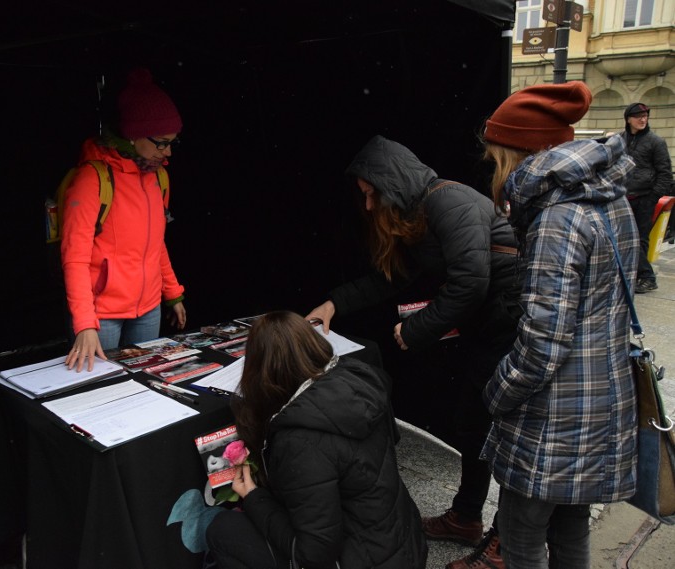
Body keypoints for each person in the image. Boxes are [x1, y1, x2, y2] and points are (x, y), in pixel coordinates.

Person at [305, 136, 521, 568]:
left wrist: (416, 329)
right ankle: (465, 518)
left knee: (506, 434)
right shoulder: (419, 214)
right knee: (470, 425)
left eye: (371, 194)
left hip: (509, 326)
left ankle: (508, 543)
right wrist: (332, 304)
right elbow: (390, 279)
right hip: (489, 325)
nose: (367, 206)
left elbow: (471, 282)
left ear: (392, 183)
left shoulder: (449, 201)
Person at [480, 81, 639, 568]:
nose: (491, 167)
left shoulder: (558, 219)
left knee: (522, 533)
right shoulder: (609, 200)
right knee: (569, 525)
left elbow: (542, 346)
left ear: (520, 151)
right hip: (601, 398)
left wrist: (496, 393)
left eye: (494, 155)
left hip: (557, 413)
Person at [205, 311, 427, 569]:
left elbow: (312, 554)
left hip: (362, 559)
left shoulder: (300, 440)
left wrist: (254, 497)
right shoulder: (354, 382)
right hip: (401, 548)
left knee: (224, 530)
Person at [62, 68, 187, 372]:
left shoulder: (159, 177)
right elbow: (74, 258)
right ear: (132, 134)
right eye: (161, 142)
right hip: (101, 316)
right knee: (101, 394)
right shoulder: (92, 179)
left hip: (148, 310)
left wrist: (172, 293)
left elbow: (157, 244)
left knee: (145, 385)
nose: (167, 151)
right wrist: (84, 324)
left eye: (173, 142)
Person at [620, 102, 674, 293]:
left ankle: (647, 277)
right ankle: (632, 275)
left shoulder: (655, 142)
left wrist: (653, 197)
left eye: (645, 116)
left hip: (644, 197)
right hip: (623, 196)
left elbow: (665, 173)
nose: (643, 119)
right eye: (638, 116)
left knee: (639, 239)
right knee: (623, 238)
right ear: (628, 119)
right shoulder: (620, 139)